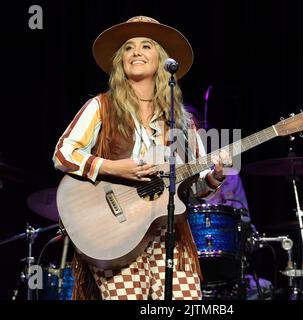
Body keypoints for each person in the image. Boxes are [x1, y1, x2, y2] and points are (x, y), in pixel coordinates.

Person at [52, 16, 232, 300]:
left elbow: (193, 189)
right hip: (116, 233)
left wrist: (214, 177)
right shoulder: (101, 106)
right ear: (120, 61)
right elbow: (62, 153)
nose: (136, 51)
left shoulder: (183, 123)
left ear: (162, 61)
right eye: (128, 47)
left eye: (146, 46)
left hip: (170, 237)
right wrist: (112, 167)